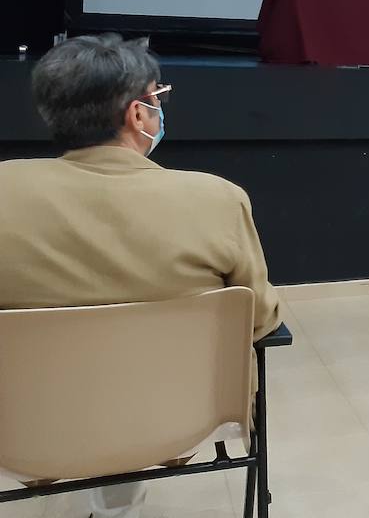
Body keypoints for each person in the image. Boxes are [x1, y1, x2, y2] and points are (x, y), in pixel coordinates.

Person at [0, 35, 281, 518]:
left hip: (22, 432)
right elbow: (260, 320)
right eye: (159, 98)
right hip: (178, 424)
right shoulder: (216, 200)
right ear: (136, 114)